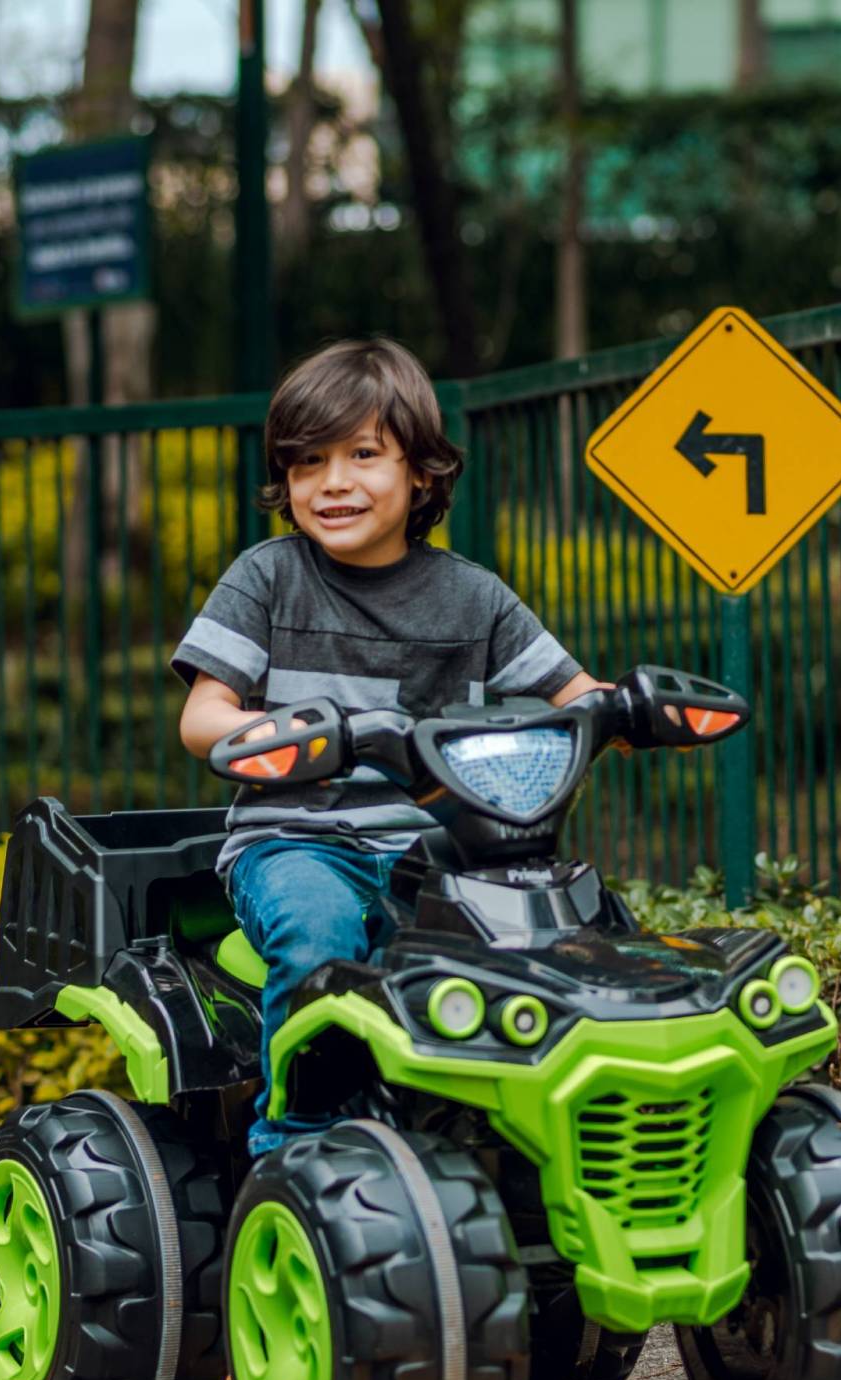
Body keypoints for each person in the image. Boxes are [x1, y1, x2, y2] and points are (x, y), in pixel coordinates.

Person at [171, 337, 604, 1154]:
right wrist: (304, 733)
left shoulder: (472, 598)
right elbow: (204, 716)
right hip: (298, 840)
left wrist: (626, 714)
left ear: (422, 475)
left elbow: (575, 694)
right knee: (320, 936)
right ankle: (296, 1143)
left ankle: (519, 1139)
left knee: (564, 940)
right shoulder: (268, 578)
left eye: (362, 455)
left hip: (442, 851)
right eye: (308, 463)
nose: (332, 482)